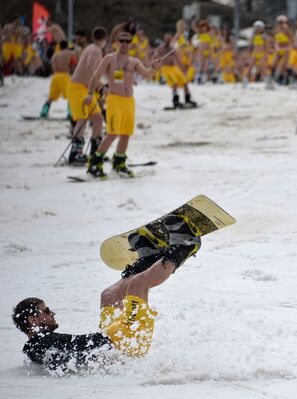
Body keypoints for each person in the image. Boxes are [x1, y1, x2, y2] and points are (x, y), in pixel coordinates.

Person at [12, 214, 202, 373]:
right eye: (46, 311)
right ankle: (184, 247)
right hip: (126, 344)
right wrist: (111, 360)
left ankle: (150, 259)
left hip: (110, 337)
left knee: (108, 295)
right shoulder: (37, 347)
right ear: (32, 320)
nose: (52, 313)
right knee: (137, 285)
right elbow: (69, 363)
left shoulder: (38, 344)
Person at [85, 31, 161, 179]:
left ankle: (119, 163)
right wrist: (89, 94)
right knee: (112, 134)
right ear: (116, 42)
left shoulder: (134, 61)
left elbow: (147, 75)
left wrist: (154, 67)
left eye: (127, 41)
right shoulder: (109, 59)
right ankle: (95, 163)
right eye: (122, 41)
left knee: (125, 135)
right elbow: (95, 76)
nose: (125, 44)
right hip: (114, 100)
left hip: (129, 102)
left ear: (131, 43)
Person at [66, 26, 107, 165]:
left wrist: (97, 86)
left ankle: (96, 152)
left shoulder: (90, 47)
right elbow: (90, 68)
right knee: (82, 119)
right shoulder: (95, 50)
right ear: (105, 40)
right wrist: (100, 85)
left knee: (98, 118)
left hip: (85, 88)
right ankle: (75, 153)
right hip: (78, 88)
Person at [158, 32, 197, 108]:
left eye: (169, 39)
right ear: (164, 39)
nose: (168, 41)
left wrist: (183, 68)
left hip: (174, 68)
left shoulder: (172, 49)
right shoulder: (161, 48)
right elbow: (155, 57)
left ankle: (187, 99)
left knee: (185, 82)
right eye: (166, 39)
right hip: (165, 68)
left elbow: (178, 59)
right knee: (174, 83)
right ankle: (175, 101)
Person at [40, 40, 76, 119]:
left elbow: (52, 67)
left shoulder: (55, 55)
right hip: (65, 76)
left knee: (51, 97)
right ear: (67, 46)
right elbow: (73, 65)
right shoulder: (70, 54)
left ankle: (44, 111)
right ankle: (70, 113)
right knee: (70, 95)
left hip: (55, 76)